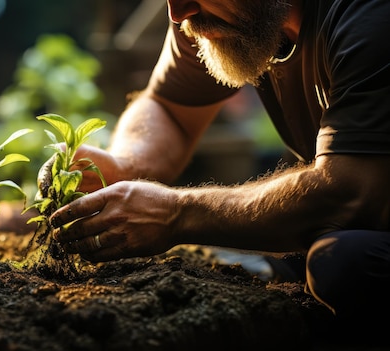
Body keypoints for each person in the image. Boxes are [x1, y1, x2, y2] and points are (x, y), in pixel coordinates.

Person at [44, 0, 390, 337]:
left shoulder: (369, 17)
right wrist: (125, 165)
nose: (177, 13)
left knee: (345, 261)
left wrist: (176, 214)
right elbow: (169, 107)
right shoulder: (217, 13)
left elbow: (348, 191)